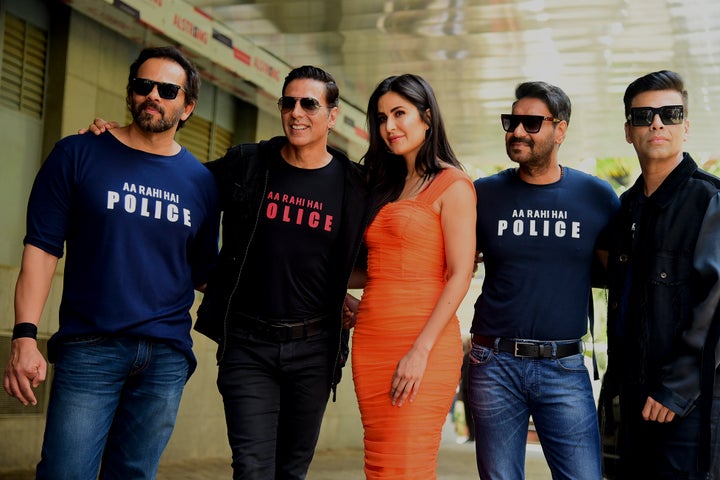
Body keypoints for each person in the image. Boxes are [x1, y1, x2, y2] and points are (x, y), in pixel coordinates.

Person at [83, 65, 370, 480]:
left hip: (314, 348)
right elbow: (175, 178)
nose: (296, 112)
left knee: (291, 471)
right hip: (248, 344)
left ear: (332, 114)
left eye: (309, 103)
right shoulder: (248, 164)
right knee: (252, 469)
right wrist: (121, 142)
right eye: (288, 102)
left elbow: (373, 259)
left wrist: (351, 294)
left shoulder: (354, 185)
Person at [2, 46, 220, 479]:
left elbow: (203, 274)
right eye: (143, 85)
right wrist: (25, 336)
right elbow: (42, 250)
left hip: (165, 358)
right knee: (65, 473)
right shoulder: (79, 154)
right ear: (130, 92)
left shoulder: (201, 183)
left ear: (188, 106)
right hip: (90, 349)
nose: (152, 95)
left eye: (167, 89)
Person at [467, 81, 620, 479]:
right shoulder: (482, 194)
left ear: (561, 130)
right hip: (493, 362)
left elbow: (618, 272)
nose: (517, 131)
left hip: (564, 365)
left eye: (531, 123)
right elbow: (446, 266)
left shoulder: (597, 196)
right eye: (512, 121)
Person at [346, 74, 476, 479]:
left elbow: (460, 275)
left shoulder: (452, 184)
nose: (389, 127)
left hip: (424, 345)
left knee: (408, 467)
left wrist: (419, 352)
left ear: (427, 117)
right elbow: (376, 269)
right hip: (371, 342)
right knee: (381, 467)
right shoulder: (384, 185)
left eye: (400, 113)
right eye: (382, 117)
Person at [603, 70, 720, 479]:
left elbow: (717, 308)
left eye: (670, 114)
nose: (657, 123)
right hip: (630, 401)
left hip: (689, 404)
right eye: (644, 115)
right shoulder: (625, 209)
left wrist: (677, 390)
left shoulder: (711, 200)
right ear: (628, 130)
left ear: (685, 127)